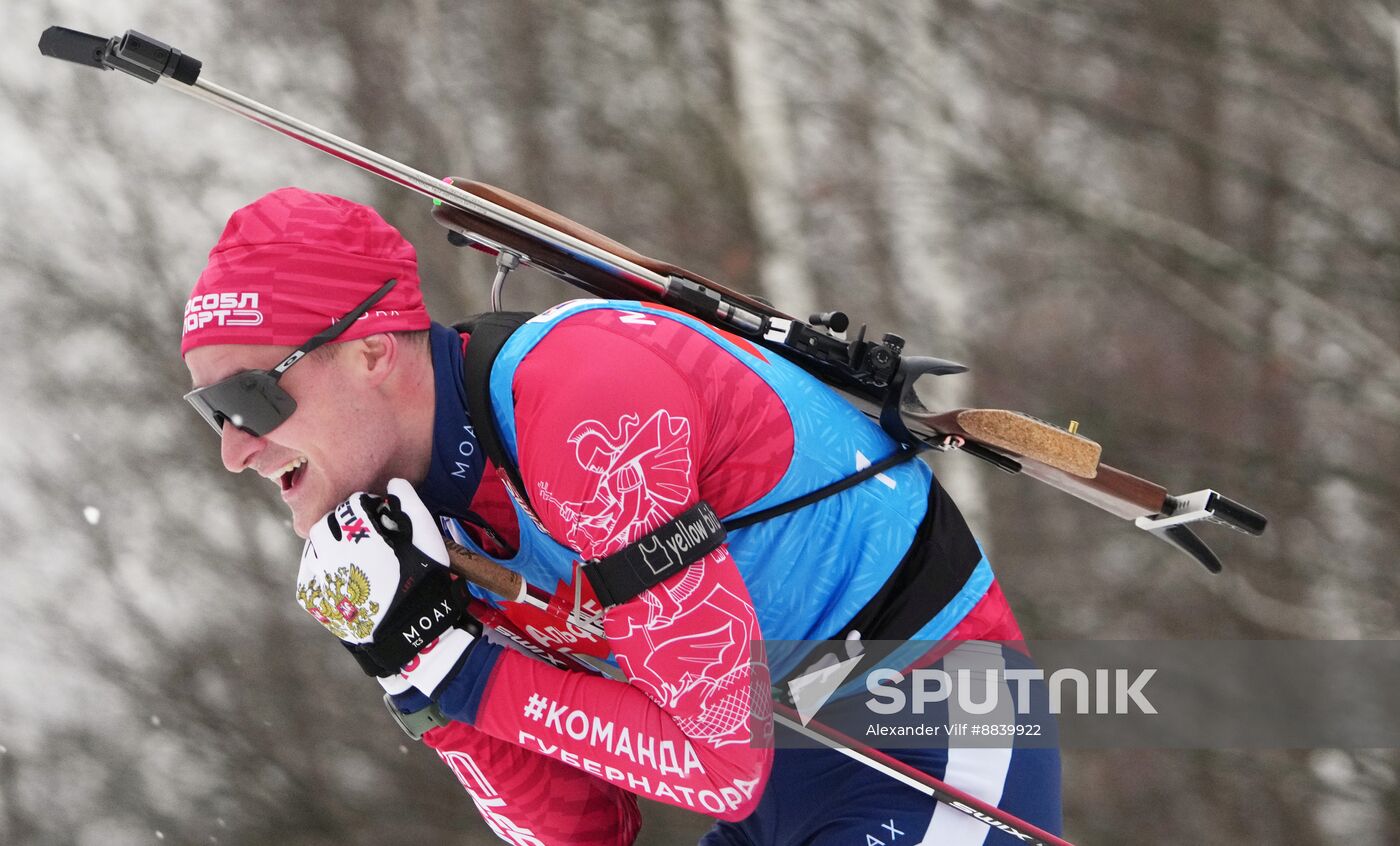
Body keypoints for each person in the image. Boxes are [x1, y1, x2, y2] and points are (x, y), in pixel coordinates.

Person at [181, 187, 1062, 845]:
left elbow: (718, 761)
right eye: (212, 411)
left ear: (372, 349)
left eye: (252, 399)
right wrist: (411, 670)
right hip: (783, 786)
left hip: (926, 739)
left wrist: (463, 672)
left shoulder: (581, 407)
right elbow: (584, 835)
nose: (234, 450)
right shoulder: (419, 522)